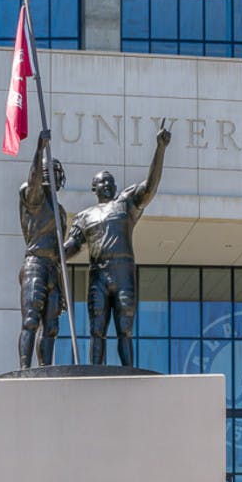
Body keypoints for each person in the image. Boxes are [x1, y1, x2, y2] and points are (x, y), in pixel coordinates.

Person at [64, 123, 171, 366]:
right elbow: (71, 246)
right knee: (97, 328)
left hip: (123, 271)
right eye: (103, 182)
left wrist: (160, 149)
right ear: (94, 188)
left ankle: (128, 371)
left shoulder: (126, 204)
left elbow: (150, 187)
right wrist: (53, 253)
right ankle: (95, 372)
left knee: (125, 327)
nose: (108, 185)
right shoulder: (85, 216)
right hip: (98, 274)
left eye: (111, 181)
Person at [18, 130, 67, 369]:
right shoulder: (35, 200)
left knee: (51, 326)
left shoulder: (61, 212)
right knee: (30, 320)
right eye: (53, 173)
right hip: (35, 264)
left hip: (52, 269)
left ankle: (45, 367)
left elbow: (61, 251)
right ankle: (25, 368)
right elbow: (34, 179)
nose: (57, 178)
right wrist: (39, 149)